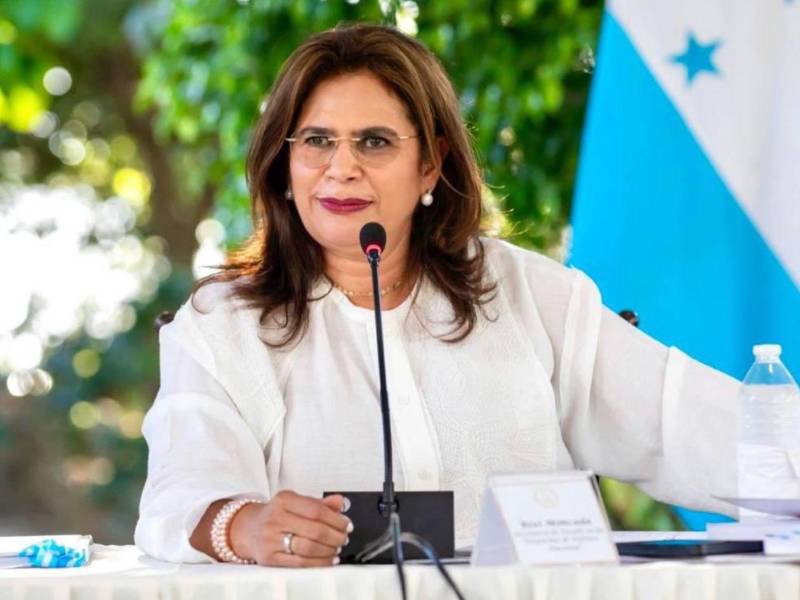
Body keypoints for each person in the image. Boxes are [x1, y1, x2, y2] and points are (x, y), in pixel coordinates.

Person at [134, 23, 740, 567]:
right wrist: (245, 526)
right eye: (316, 140)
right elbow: (181, 495)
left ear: (430, 164)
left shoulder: (530, 294)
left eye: (374, 141)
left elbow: (689, 425)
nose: (341, 167)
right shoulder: (225, 326)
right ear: (284, 164)